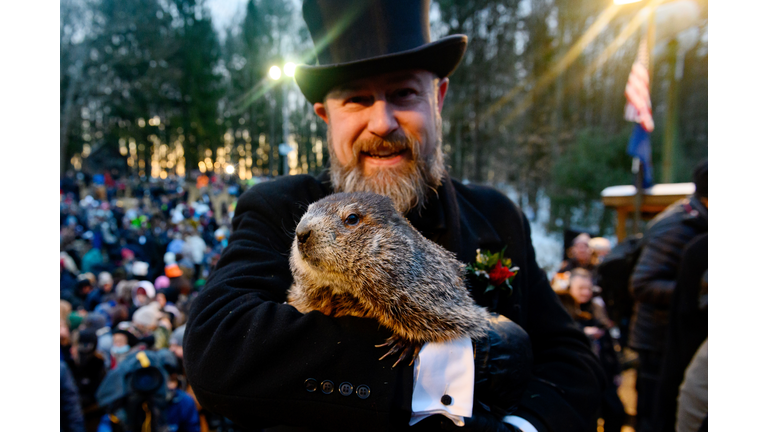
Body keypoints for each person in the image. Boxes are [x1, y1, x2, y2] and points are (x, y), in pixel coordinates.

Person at [184, 1, 603, 431]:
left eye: (404, 93)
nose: (382, 123)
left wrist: (518, 428)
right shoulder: (281, 208)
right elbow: (219, 348)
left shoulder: (497, 214)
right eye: (357, 99)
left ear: (437, 99)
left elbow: (574, 366)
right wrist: (448, 362)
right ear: (326, 117)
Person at [628, 160, 707, 432]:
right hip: (658, 342)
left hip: (678, 338)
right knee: (655, 418)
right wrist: (696, 288)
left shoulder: (698, 221)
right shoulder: (679, 225)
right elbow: (642, 284)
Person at [557, 270, 625, 432]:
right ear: (570, 288)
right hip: (579, 375)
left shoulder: (596, 308)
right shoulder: (562, 310)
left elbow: (609, 342)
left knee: (616, 412)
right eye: (581, 288)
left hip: (604, 372)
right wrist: (583, 333)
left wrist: (617, 371)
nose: (585, 293)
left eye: (588, 289)